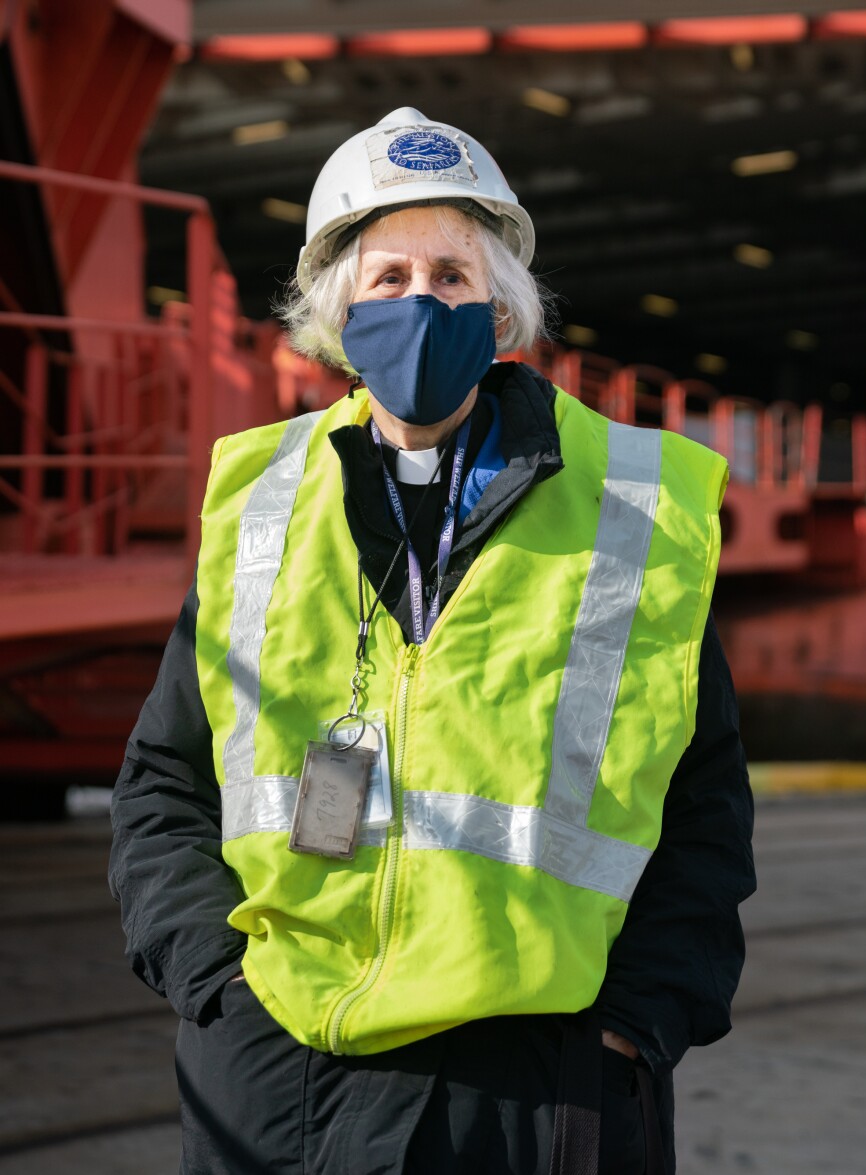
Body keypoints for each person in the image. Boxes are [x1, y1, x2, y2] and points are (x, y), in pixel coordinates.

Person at [109, 107, 755, 1175]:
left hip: (540, 1086)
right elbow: (163, 781)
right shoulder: (264, 504)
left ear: (500, 307)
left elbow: (705, 805)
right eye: (391, 277)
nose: (423, 303)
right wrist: (218, 988)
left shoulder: (633, 505)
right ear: (338, 311)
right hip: (288, 1073)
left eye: (453, 277)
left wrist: (635, 1027)